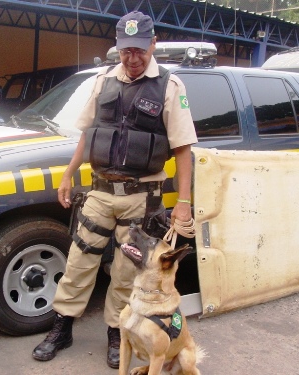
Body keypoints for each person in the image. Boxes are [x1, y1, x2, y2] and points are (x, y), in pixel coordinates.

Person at [32, 11, 198, 369]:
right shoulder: (102, 80)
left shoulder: (170, 87)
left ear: (153, 44)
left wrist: (183, 202)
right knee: (78, 261)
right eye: (126, 50)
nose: (133, 58)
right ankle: (62, 328)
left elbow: (184, 149)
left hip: (142, 197)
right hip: (101, 191)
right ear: (117, 48)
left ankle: (115, 332)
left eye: (140, 49)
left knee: (125, 271)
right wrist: (68, 174)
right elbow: (87, 135)